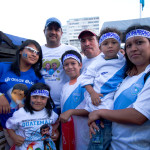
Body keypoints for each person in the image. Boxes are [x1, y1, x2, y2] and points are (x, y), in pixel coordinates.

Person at [88, 25, 150, 150]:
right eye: (128, 45)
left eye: (139, 42)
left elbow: (139, 116)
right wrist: (97, 119)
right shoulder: (126, 76)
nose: (133, 48)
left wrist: (100, 113)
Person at [81, 28, 126, 150]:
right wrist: (93, 93)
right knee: (98, 145)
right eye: (106, 44)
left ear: (120, 45)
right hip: (100, 107)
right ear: (100, 47)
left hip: (113, 112)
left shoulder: (124, 61)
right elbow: (85, 79)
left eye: (114, 42)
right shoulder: (96, 63)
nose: (110, 46)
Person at [0, 39, 45, 148]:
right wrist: (0, 96)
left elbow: (43, 101)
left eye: (37, 53)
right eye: (30, 50)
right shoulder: (3, 67)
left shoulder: (38, 77)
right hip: (2, 125)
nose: (34, 54)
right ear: (20, 51)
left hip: (23, 128)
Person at [41, 17, 78, 114]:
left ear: (61, 33)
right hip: (42, 105)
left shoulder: (71, 49)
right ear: (44, 31)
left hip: (68, 104)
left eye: (57, 30)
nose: (53, 32)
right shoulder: (38, 51)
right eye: (50, 29)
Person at [6, 83, 58, 150]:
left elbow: (56, 122)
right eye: (35, 97)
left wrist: (56, 132)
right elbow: (9, 127)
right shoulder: (20, 113)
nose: (38, 101)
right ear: (29, 98)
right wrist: (14, 137)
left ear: (48, 99)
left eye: (43, 98)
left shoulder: (51, 113)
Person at [59, 50, 90, 150]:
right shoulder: (64, 87)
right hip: (67, 132)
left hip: (83, 131)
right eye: (66, 64)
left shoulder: (86, 83)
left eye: (73, 63)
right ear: (63, 68)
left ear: (80, 65)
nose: (70, 67)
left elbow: (92, 109)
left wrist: (71, 111)